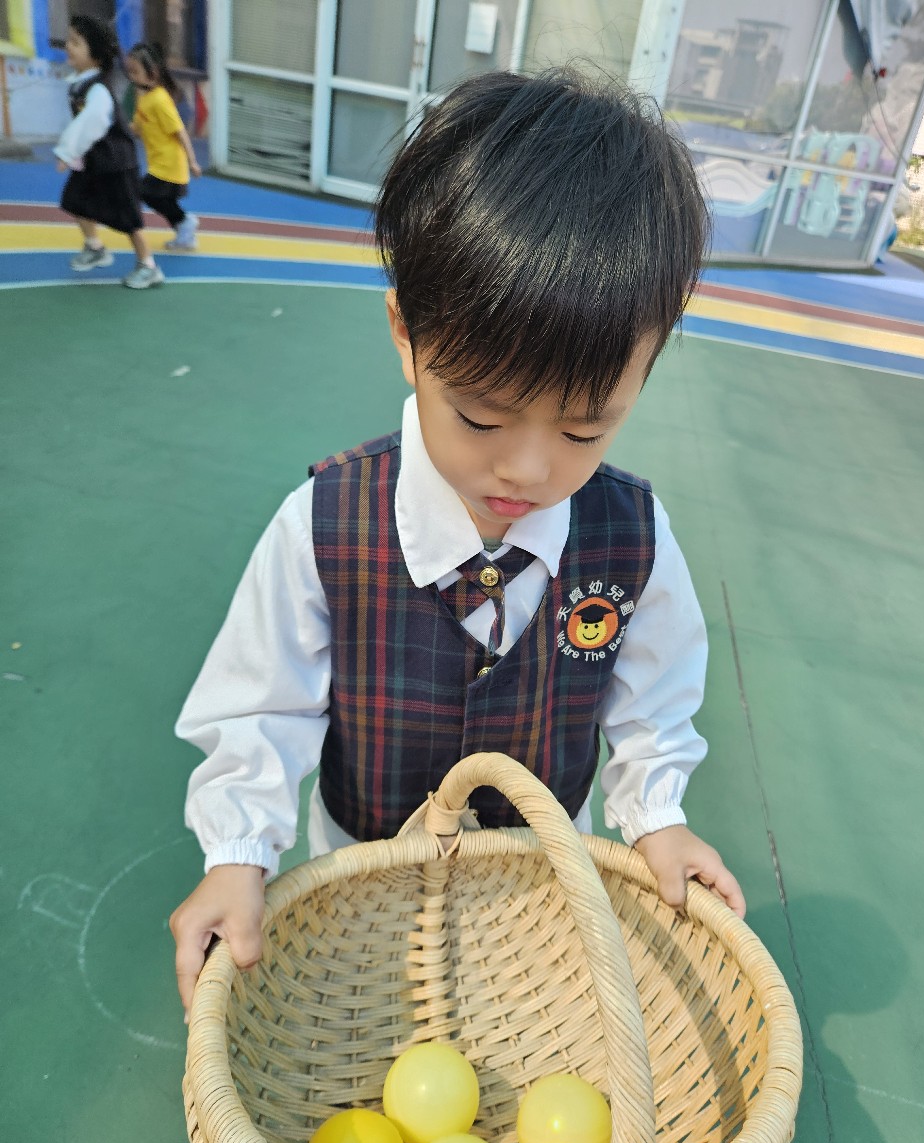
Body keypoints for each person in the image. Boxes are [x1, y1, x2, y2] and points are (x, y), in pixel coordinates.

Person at [170, 68, 746, 1018]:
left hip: (537, 878)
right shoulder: (326, 521)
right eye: (480, 416)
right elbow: (262, 704)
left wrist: (659, 819)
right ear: (406, 334)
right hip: (363, 876)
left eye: (586, 429)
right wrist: (236, 854)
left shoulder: (633, 537)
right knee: (368, 1031)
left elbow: (654, 702)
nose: (527, 468)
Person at [54, 16, 164, 290]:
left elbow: (91, 123)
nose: (68, 46)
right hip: (95, 161)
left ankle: (148, 266)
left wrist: (67, 151)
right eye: (69, 40)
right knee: (75, 200)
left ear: (96, 55)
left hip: (117, 163)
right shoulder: (80, 82)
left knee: (129, 219)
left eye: (76, 43)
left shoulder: (98, 90)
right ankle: (95, 247)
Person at [124, 42, 201, 253]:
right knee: (158, 198)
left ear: (153, 73)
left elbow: (180, 131)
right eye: (130, 71)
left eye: (135, 71)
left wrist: (193, 161)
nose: (131, 76)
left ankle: (184, 222)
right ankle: (184, 228)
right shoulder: (143, 97)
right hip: (158, 162)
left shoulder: (160, 100)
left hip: (169, 163)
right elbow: (137, 127)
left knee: (143, 192)